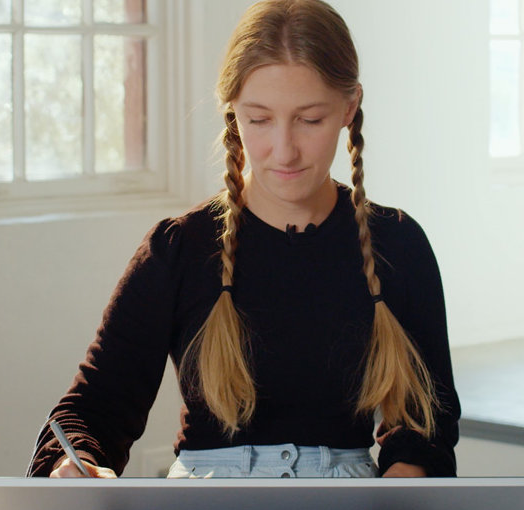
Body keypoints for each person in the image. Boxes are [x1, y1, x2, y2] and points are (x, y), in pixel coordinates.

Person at [28, 0, 459, 480]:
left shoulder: (398, 246)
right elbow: (94, 409)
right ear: (232, 113)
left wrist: (404, 485)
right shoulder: (179, 250)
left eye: (310, 119)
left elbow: (428, 426)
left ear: (349, 107)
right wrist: (74, 463)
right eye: (259, 120)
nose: (284, 149)